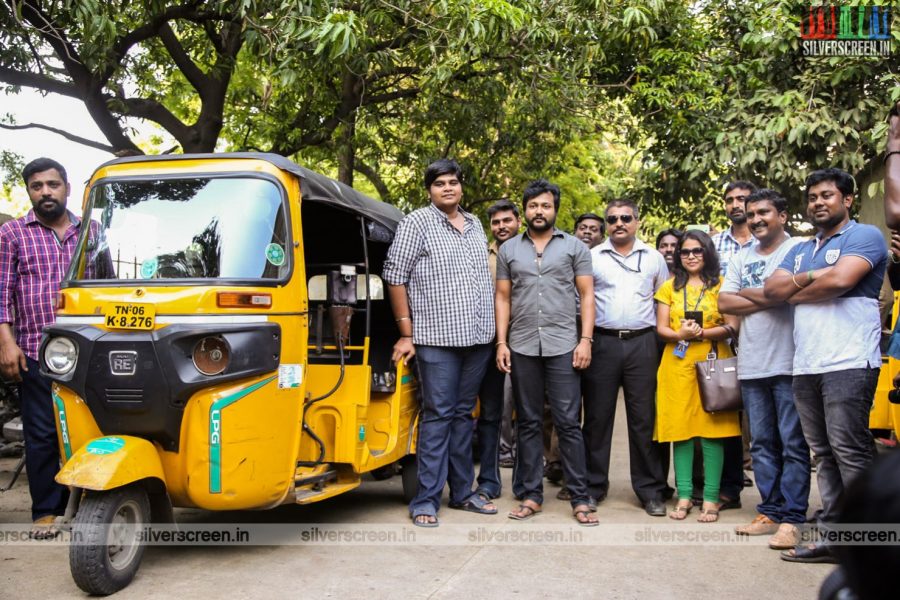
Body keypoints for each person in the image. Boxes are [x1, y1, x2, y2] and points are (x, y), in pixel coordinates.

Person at [764, 167, 886, 564]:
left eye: (827, 195)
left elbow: (842, 281)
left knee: (850, 451)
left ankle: (869, 544)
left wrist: (802, 286)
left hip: (850, 361)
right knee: (824, 454)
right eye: (813, 196)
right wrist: (819, 275)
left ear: (847, 200)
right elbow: (773, 290)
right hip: (807, 364)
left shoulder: (864, 236)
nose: (818, 202)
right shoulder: (800, 249)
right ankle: (836, 538)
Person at [383, 158, 496, 527]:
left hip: (478, 339)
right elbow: (395, 276)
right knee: (438, 416)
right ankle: (426, 500)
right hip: (436, 340)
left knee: (464, 416)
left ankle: (462, 493)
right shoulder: (416, 222)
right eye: (439, 183)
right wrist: (406, 332)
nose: (448, 188)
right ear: (429, 190)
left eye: (453, 182)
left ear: (462, 186)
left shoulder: (476, 224)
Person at [495, 179, 598, 526]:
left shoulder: (574, 248)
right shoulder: (509, 250)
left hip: (563, 345)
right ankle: (530, 495)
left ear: (555, 209)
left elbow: (586, 296)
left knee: (568, 422)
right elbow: (503, 298)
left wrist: (585, 340)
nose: (539, 211)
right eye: (533, 206)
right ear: (525, 210)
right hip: (522, 344)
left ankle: (580, 497)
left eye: (546, 206)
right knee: (527, 422)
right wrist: (501, 343)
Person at [718, 189, 810, 550]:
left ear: (783, 216)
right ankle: (769, 510)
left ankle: (793, 517)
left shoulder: (799, 250)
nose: (755, 219)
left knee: (793, 443)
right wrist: (773, 294)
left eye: (763, 212)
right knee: (761, 444)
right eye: (751, 213)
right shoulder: (742, 255)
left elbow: (796, 294)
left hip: (790, 361)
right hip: (752, 362)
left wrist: (757, 296)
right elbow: (725, 300)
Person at [0, 158, 80, 537]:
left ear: (67, 187)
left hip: (87, 351)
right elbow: (1, 295)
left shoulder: (91, 231)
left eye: (52, 184)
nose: (46, 192)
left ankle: (83, 505)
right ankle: (46, 511)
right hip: (33, 347)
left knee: (85, 429)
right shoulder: (13, 234)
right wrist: (7, 344)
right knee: (43, 432)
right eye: (37, 186)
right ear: (29, 191)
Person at [581, 199, 670, 516]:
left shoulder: (654, 258)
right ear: (606, 223)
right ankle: (592, 487)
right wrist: (586, 341)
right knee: (596, 419)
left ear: (637, 220)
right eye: (612, 218)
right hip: (602, 343)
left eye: (625, 217)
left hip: (643, 344)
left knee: (645, 419)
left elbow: (663, 300)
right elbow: (582, 300)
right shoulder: (591, 257)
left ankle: (651, 490)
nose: (619, 223)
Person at [654, 230, 741, 523]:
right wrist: (680, 334)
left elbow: (733, 326)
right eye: (685, 252)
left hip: (713, 362)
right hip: (677, 364)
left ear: (708, 253)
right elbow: (661, 328)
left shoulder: (722, 286)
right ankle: (684, 495)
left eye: (697, 251)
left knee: (711, 432)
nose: (690, 256)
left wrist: (702, 333)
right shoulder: (669, 287)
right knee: (681, 432)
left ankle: (712, 498)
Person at [711, 180, 759, 507]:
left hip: (765, 334)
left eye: (742, 199)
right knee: (727, 408)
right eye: (730, 200)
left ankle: (773, 488)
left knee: (761, 412)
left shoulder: (772, 243)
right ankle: (729, 487)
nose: (735, 204)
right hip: (724, 335)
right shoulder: (713, 245)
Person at [477, 199, 521, 498]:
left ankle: (526, 483)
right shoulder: (482, 254)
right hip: (492, 342)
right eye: (496, 222)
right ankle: (490, 480)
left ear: (518, 220)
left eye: (507, 220)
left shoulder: (533, 250)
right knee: (493, 412)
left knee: (531, 414)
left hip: (531, 341)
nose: (502, 226)